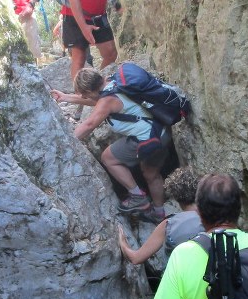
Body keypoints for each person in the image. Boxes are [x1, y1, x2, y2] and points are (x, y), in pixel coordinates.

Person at [52, 67, 169, 221]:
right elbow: (94, 100)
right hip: (162, 131)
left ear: (90, 90)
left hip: (148, 140)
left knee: (108, 158)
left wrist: (64, 143)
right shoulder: (112, 82)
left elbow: (89, 124)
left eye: (84, 93)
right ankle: (159, 213)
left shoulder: (106, 101)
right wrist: (66, 97)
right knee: (151, 174)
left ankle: (137, 197)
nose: (83, 97)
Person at [118, 167, 204, 264]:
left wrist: (123, 242)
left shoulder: (169, 224)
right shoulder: (214, 217)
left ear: (175, 197)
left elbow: (135, 258)